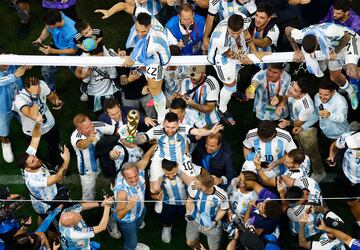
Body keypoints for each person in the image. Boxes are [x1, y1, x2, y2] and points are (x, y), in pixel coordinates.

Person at [96, 5, 171, 122]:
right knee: (150, 87)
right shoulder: (146, 15)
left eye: (143, 31)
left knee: (155, 90)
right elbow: (125, 5)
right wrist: (109, 11)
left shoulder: (151, 44)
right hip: (149, 55)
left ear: (150, 27)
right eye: (137, 29)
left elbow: (134, 58)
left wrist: (129, 59)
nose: (139, 34)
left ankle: (161, 115)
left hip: (157, 62)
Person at [136, 112, 223, 207]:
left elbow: (198, 132)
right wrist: (133, 138)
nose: (169, 130)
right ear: (164, 123)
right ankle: (161, 198)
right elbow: (143, 138)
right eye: (167, 127)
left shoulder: (183, 128)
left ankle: (193, 204)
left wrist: (210, 132)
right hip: (161, 159)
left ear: (178, 124)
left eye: (173, 127)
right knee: (154, 189)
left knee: (193, 186)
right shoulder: (157, 130)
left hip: (181, 159)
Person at [285, 22, 359, 109]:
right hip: (332, 45)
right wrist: (296, 50)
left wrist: (336, 52)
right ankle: (351, 91)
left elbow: (347, 37)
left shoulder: (330, 32)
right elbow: (287, 30)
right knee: (335, 78)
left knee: (351, 72)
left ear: (317, 44)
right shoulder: (299, 35)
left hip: (349, 40)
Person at [207, 14, 265, 125]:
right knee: (229, 85)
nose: (234, 35)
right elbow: (229, 54)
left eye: (237, 33)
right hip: (221, 58)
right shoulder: (219, 38)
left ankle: (232, 91)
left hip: (236, 50)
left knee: (234, 76)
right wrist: (243, 57)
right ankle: (222, 109)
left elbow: (247, 34)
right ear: (228, 26)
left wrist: (255, 51)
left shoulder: (245, 20)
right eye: (232, 32)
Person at [16, 122, 70, 230]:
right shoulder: (33, 181)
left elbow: (35, 137)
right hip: (47, 205)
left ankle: (41, 229)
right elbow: (58, 177)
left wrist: (37, 124)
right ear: (27, 168)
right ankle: (49, 235)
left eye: (34, 157)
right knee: (54, 227)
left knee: (42, 217)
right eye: (33, 161)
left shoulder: (28, 157)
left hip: (49, 193)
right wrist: (67, 160)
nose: (36, 158)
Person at [278, 78, 325, 182]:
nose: (291, 90)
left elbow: (299, 123)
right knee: (301, 149)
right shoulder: (292, 86)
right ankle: (303, 165)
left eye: (295, 90)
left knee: (312, 153)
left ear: (302, 93)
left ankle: (319, 172)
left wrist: (287, 123)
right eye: (293, 87)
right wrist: (282, 103)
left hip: (307, 130)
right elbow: (286, 95)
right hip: (298, 127)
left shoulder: (306, 106)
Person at [12, 77, 63, 169]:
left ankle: (51, 162)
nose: (39, 90)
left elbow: (51, 95)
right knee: (34, 153)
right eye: (37, 89)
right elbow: (33, 115)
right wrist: (34, 95)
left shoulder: (41, 84)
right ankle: (40, 167)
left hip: (49, 124)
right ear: (27, 88)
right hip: (32, 131)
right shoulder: (19, 99)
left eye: (39, 86)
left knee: (54, 145)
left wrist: (56, 101)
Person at [113, 146, 156, 250]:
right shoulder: (122, 192)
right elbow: (118, 216)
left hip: (140, 211)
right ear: (124, 176)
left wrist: (156, 144)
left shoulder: (140, 172)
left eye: (135, 176)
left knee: (137, 226)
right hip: (128, 220)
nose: (133, 180)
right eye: (129, 178)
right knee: (131, 242)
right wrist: (128, 206)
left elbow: (146, 157)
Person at [70, 113, 116, 200]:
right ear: (79, 130)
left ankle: (115, 189)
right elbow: (81, 144)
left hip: (103, 162)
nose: (91, 127)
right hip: (88, 170)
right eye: (87, 128)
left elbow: (115, 130)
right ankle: (86, 205)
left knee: (112, 175)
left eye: (90, 124)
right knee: (88, 194)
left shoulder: (97, 125)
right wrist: (89, 139)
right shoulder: (75, 137)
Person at [153, 159, 200, 243]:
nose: (170, 176)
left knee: (190, 217)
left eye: (173, 172)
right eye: (167, 173)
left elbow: (200, 174)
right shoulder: (157, 172)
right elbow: (153, 189)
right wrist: (154, 195)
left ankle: (193, 230)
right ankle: (167, 227)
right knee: (165, 216)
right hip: (168, 201)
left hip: (186, 201)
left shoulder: (186, 169)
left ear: (177, 166)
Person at [33, 9, 78, 92]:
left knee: (79, 73)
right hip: (56, 47)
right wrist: (40, 39)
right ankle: (51, 90)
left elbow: (73, 51)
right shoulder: (58, 15)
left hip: (70, 54)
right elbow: (47, 29)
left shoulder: (72, 32)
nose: (47, 26)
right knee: (46, 71)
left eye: (49, 25)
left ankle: (86, 85)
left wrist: (53, 51)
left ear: (57, 23)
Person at [0, 49, 31, 163]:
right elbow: (2, 81)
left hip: (21, 101)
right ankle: (5, 142)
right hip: (2, 107)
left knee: (28, 122)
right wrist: (15, 75)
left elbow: (28, 64)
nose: (6, 64)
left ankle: (29, 135)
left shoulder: (12, 61)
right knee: (2, 129)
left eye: (6, 60)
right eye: (2, 62)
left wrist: (27, 64)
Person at [185, 170, 229, 250]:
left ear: (203, 188)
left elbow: (223, 209)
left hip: (212, 226)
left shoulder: (221, 195)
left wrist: (214, 222)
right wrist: (188, 212)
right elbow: (190, 200)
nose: (194, 183)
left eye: (197, 183)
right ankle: (198, 247)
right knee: (190, 242)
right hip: (195, 220)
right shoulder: (193, 186)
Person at [328, 131, 360, 230]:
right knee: (352, 203)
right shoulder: (348, 137)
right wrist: (332, 156)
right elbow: (335, 144)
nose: (349, 146)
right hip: (346, 176)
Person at [74, 45, 120, 114]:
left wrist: (121, 55)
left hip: (110, 91)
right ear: (90, 55)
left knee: (115, 112)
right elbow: (77, 72)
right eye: (96, 58)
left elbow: (121, 59)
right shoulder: (83, 58)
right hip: (94, 93)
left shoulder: (108, 54)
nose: (99, 60)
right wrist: (83, 75)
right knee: (99, 114)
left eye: (101, 57)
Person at [277, 175, 323, 240]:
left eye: (292, 203)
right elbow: (291, 180)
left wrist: (282, 193)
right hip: (320, 220)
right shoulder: (307, 181)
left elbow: (284, 209)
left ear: (300, 201)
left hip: (307, 232)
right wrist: (281, 178)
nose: (290, 204)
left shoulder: (297, 213)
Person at [314, 78, 349, 145]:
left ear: (333, 91)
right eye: (320, 94)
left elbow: (342, 118)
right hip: (323, 131)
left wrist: (330, 115)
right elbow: (317, 112)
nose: (322, 97)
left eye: (326, 95)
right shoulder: (317, 96)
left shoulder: (341, 101)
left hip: (338, 135)